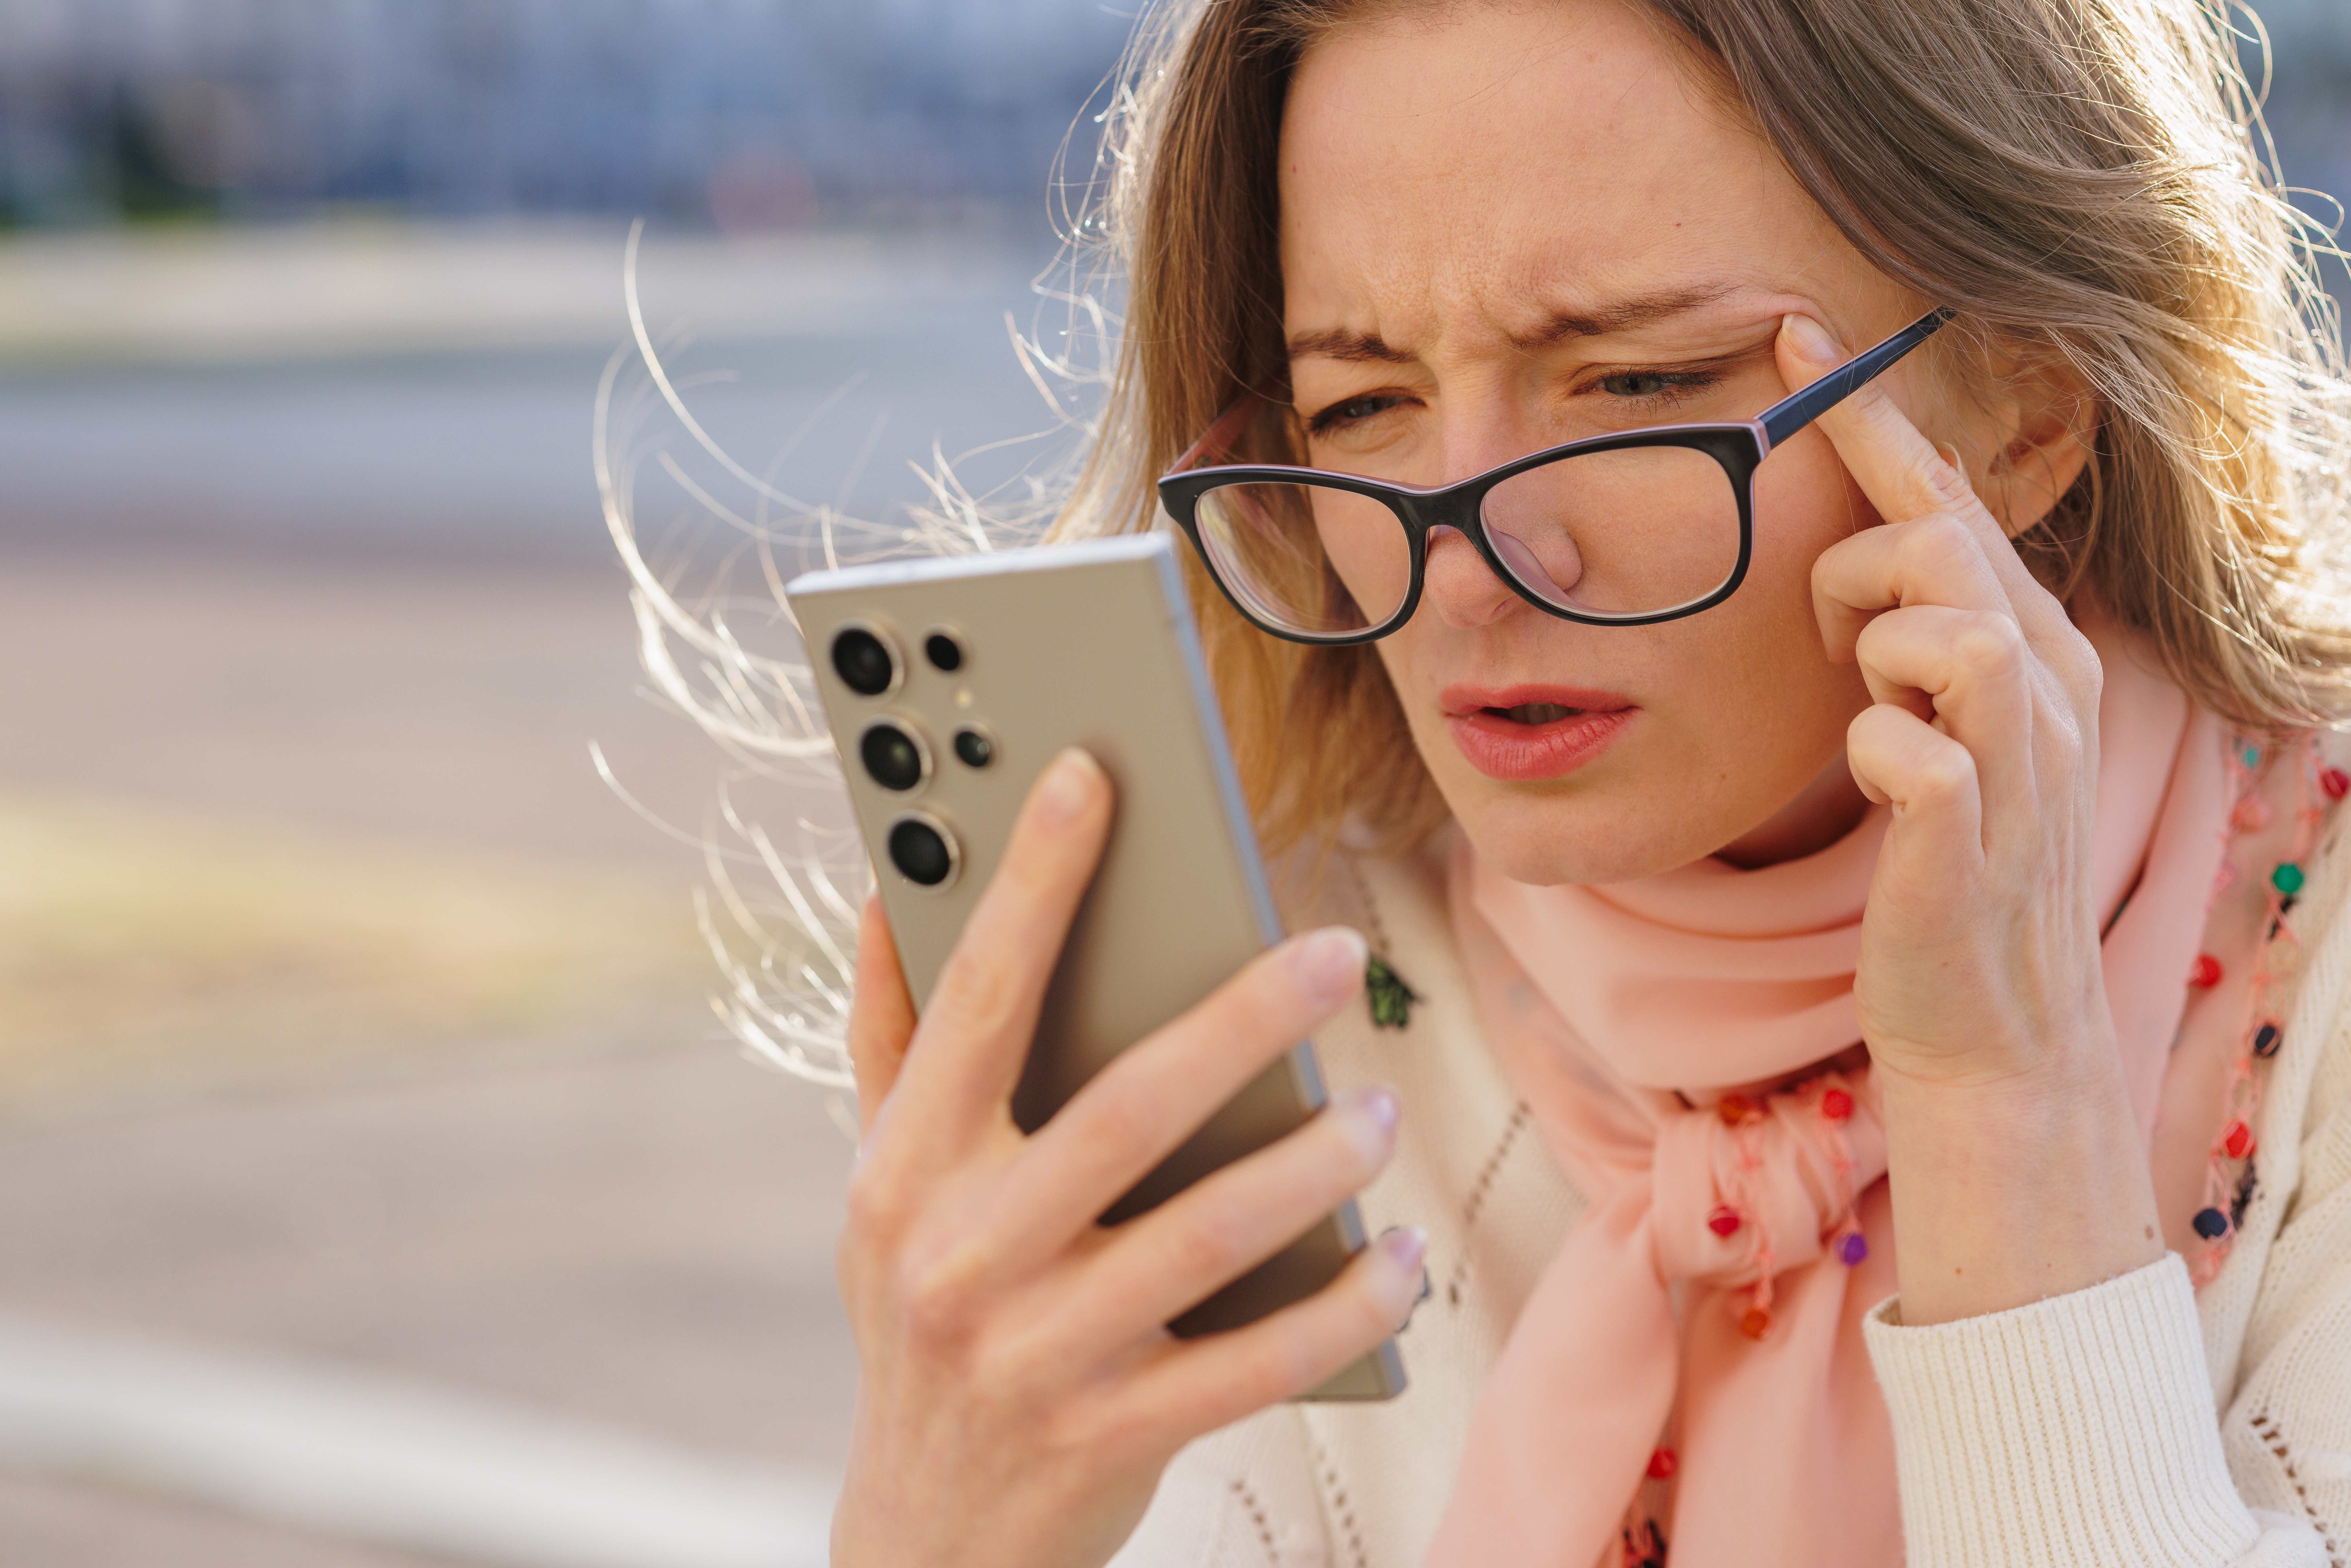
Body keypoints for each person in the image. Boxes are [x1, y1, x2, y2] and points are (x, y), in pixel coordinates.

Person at [822, 1, 2351, 1563]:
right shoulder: (1281, 1002)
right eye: (1363, 405)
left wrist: (2006, 1101)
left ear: (2030, 409)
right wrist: (943, 1520)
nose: (1469, 567)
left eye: (1633, 382)